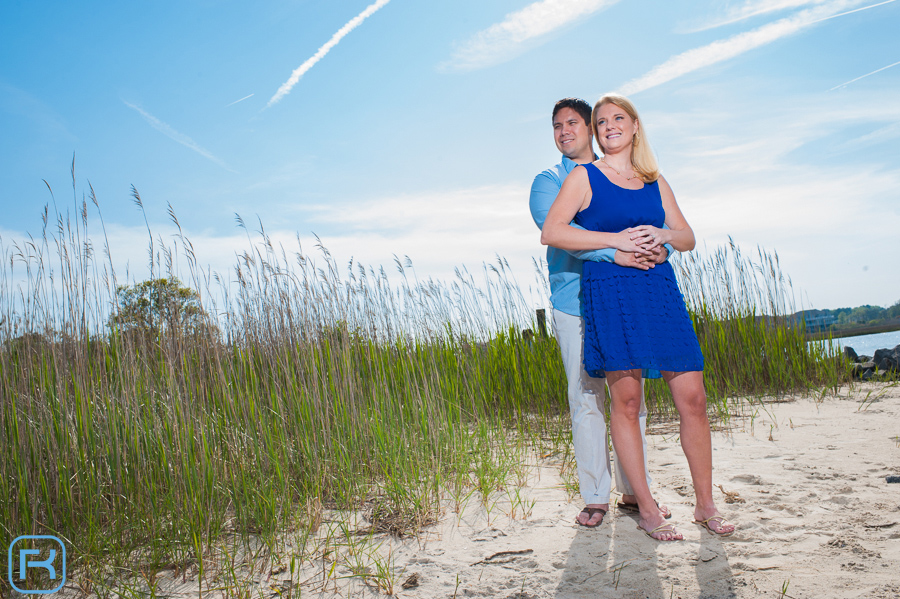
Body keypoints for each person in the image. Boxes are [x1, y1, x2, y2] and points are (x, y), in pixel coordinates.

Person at [541, 93, 735, 541]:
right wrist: (618, 241)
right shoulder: (584, 177)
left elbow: (687, 237)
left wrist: (663, 234)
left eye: (617, 118)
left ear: (634, 127)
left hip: (660, 290)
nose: (608, 125)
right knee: (626, 404)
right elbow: (552, 231)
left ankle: (705, 506)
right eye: (602, 120)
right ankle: (646, 508)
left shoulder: (654, 180)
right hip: (611, 292)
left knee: (694, 399)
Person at [529, 98, 673, 528]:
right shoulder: (549, 180)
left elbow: (646, 223)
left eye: (572, 122)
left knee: (632, 398)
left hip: (623, 298)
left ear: (590, 127)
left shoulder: (618, 173)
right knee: (586, 396)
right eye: (557, 126)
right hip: (573, 301)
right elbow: (561, 233)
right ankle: (595, 496)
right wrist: (618, 251)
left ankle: (635, 491)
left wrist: (656, 247)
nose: (564, 131)